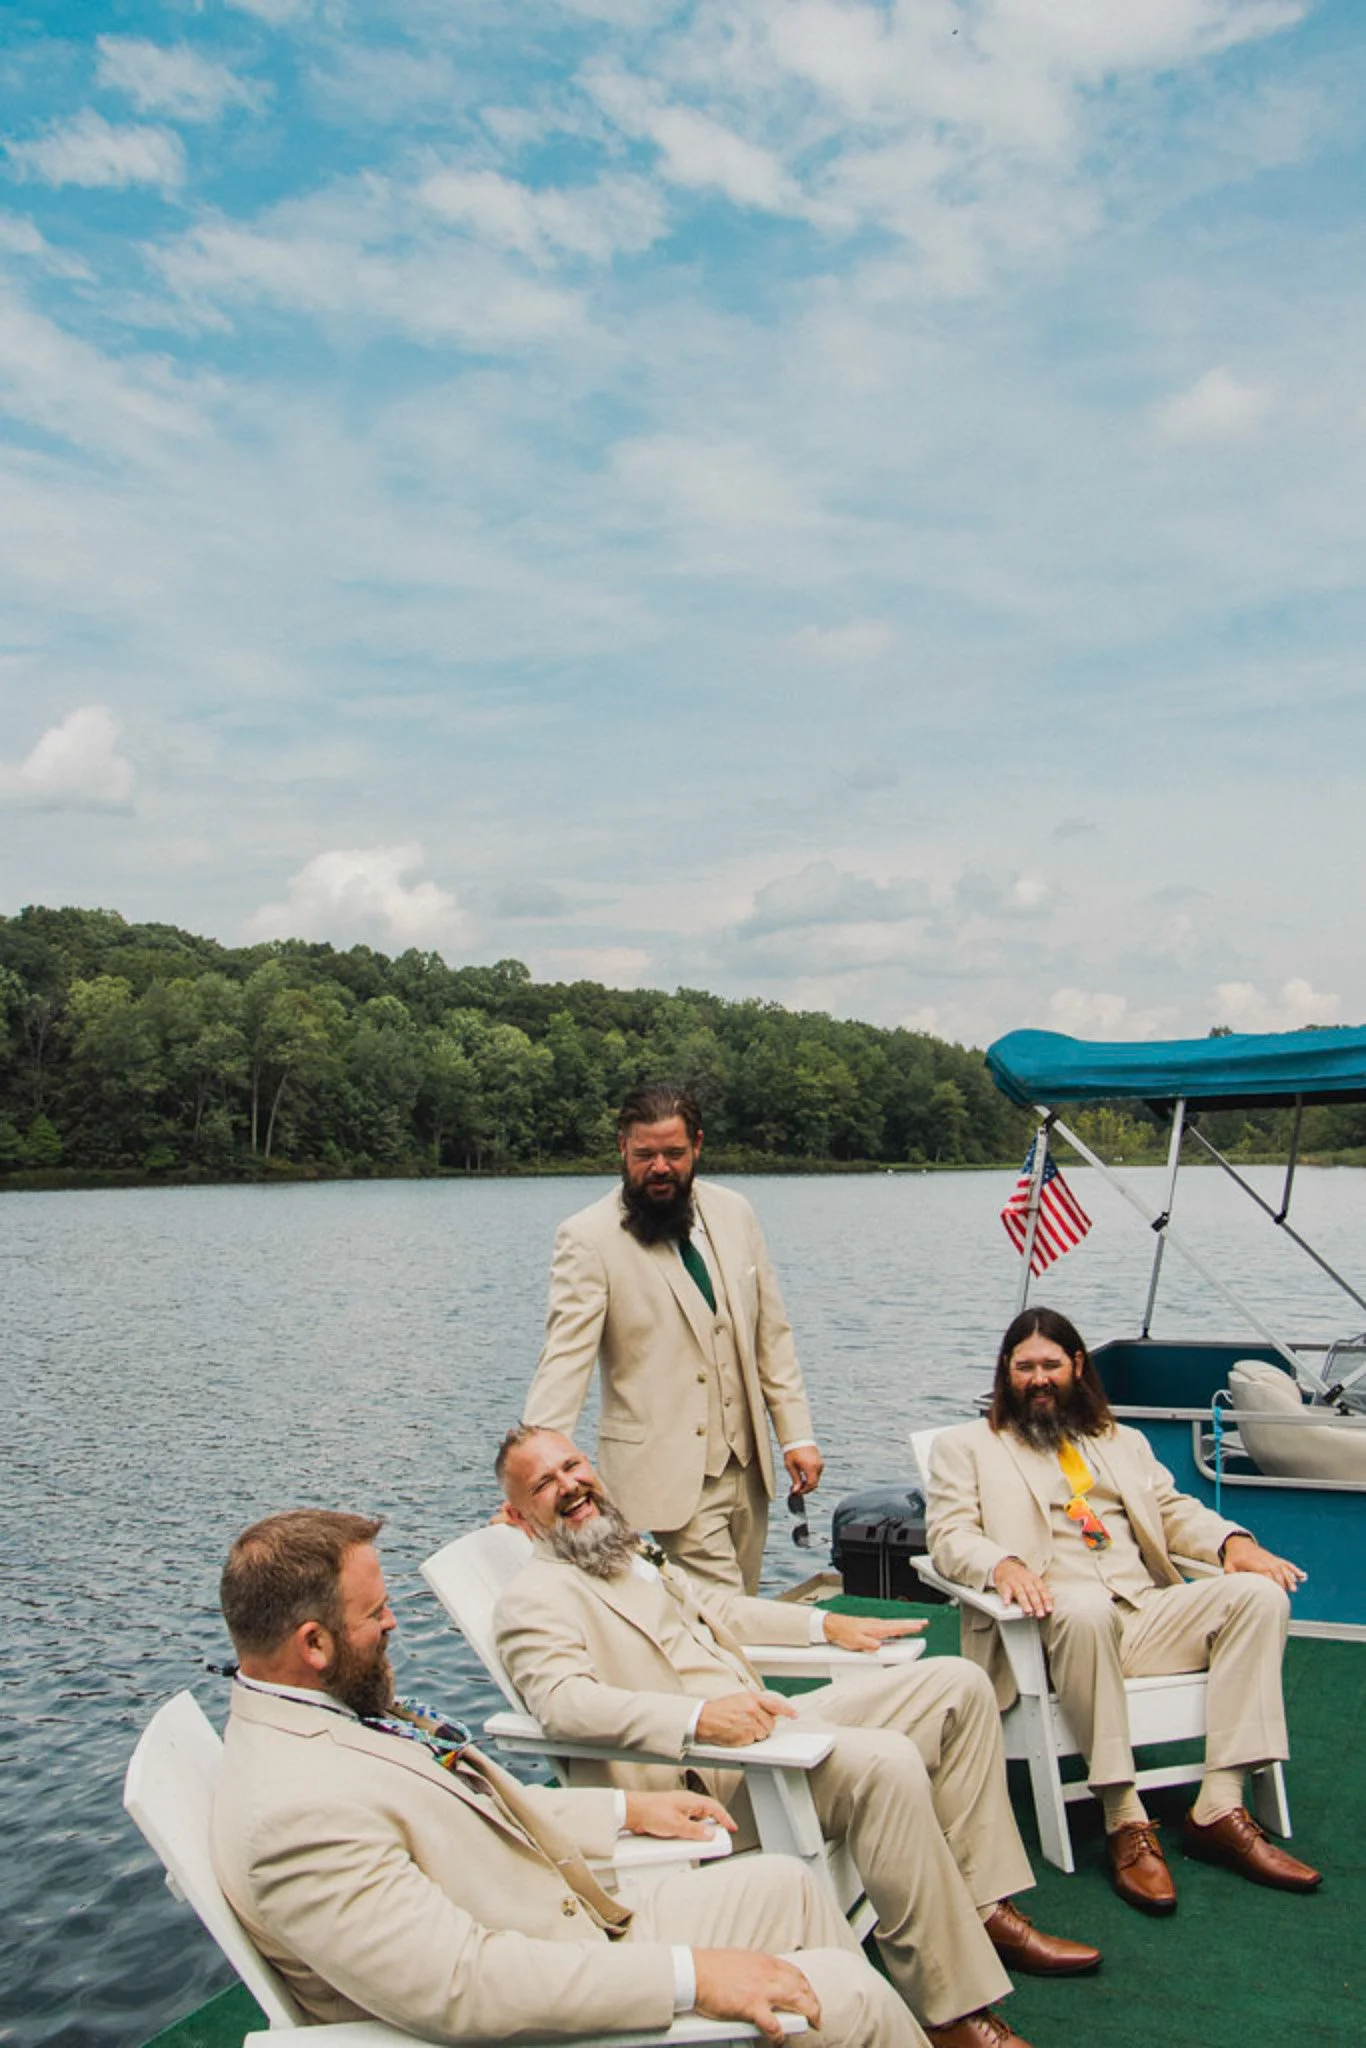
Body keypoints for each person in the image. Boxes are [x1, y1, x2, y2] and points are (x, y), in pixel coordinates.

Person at [210, 1508, 928, 2048]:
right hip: (548, 1991)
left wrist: (620, 1813)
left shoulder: (327, 1712)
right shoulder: (293, 1814)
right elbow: (465, 1985)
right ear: (313, 1643)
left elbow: (467, 1807)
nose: (394, 1623)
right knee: (844, 1995)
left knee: (785, 1885)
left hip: (574, 1922)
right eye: (376, 1614)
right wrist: (692, 1976)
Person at [495, 1426, 1104, 2048]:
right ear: (520, 1518)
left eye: (572, 1466)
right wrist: (698, 1718)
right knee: (885, 1763)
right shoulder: (534, 1600)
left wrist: (826, 1624)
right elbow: (563, 1703)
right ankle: (950, 2014)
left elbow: (721, 1610)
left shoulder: (625, 1551)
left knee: (957, 1685)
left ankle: (981, 1909)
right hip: (716, 1776)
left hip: (771, 1724)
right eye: (545, 1484)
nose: (569, 1486)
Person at [925, 1306, 1323, 1914]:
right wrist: (1001, 1564)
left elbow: (1173, 1511)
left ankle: (1219, 1804)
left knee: (1259, 1596)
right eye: (1024, 1366)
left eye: (1050, 1364)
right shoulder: (967, 1447)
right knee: (1083, 1607)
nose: (1038, 1378)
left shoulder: (1119, 1441)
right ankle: (1123, 1816)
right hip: (1047, 1629)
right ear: (1006, 1373)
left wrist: (1232, 1544)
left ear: (1076, 1366)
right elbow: (949, 1536)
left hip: (1142, 1612)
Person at [522, 1081, 824, 1593]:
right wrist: (533, 1472)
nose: (659, 1167)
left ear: (697, 1146)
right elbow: (563, 1362)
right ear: (622, 1147)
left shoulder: (736, 1212)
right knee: (727, 1619)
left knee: (741, 1603)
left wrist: (795, 1435)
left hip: (749, 1471)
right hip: (664, 1477)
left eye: (673, 1154)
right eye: (644, 1155)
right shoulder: (587, 1237)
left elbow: (771, 1334)